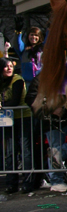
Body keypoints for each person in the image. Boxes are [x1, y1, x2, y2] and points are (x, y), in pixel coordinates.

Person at [1, 57, 34, 194]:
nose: (9, 68)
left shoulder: (18, 80)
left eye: (11, 66)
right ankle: (11, 183)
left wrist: (2, 106)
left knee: (25, 151)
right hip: (8, 120)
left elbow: (14, 101)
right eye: (6, 66)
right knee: (10, 152)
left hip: (23, 118)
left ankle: (28, 182)